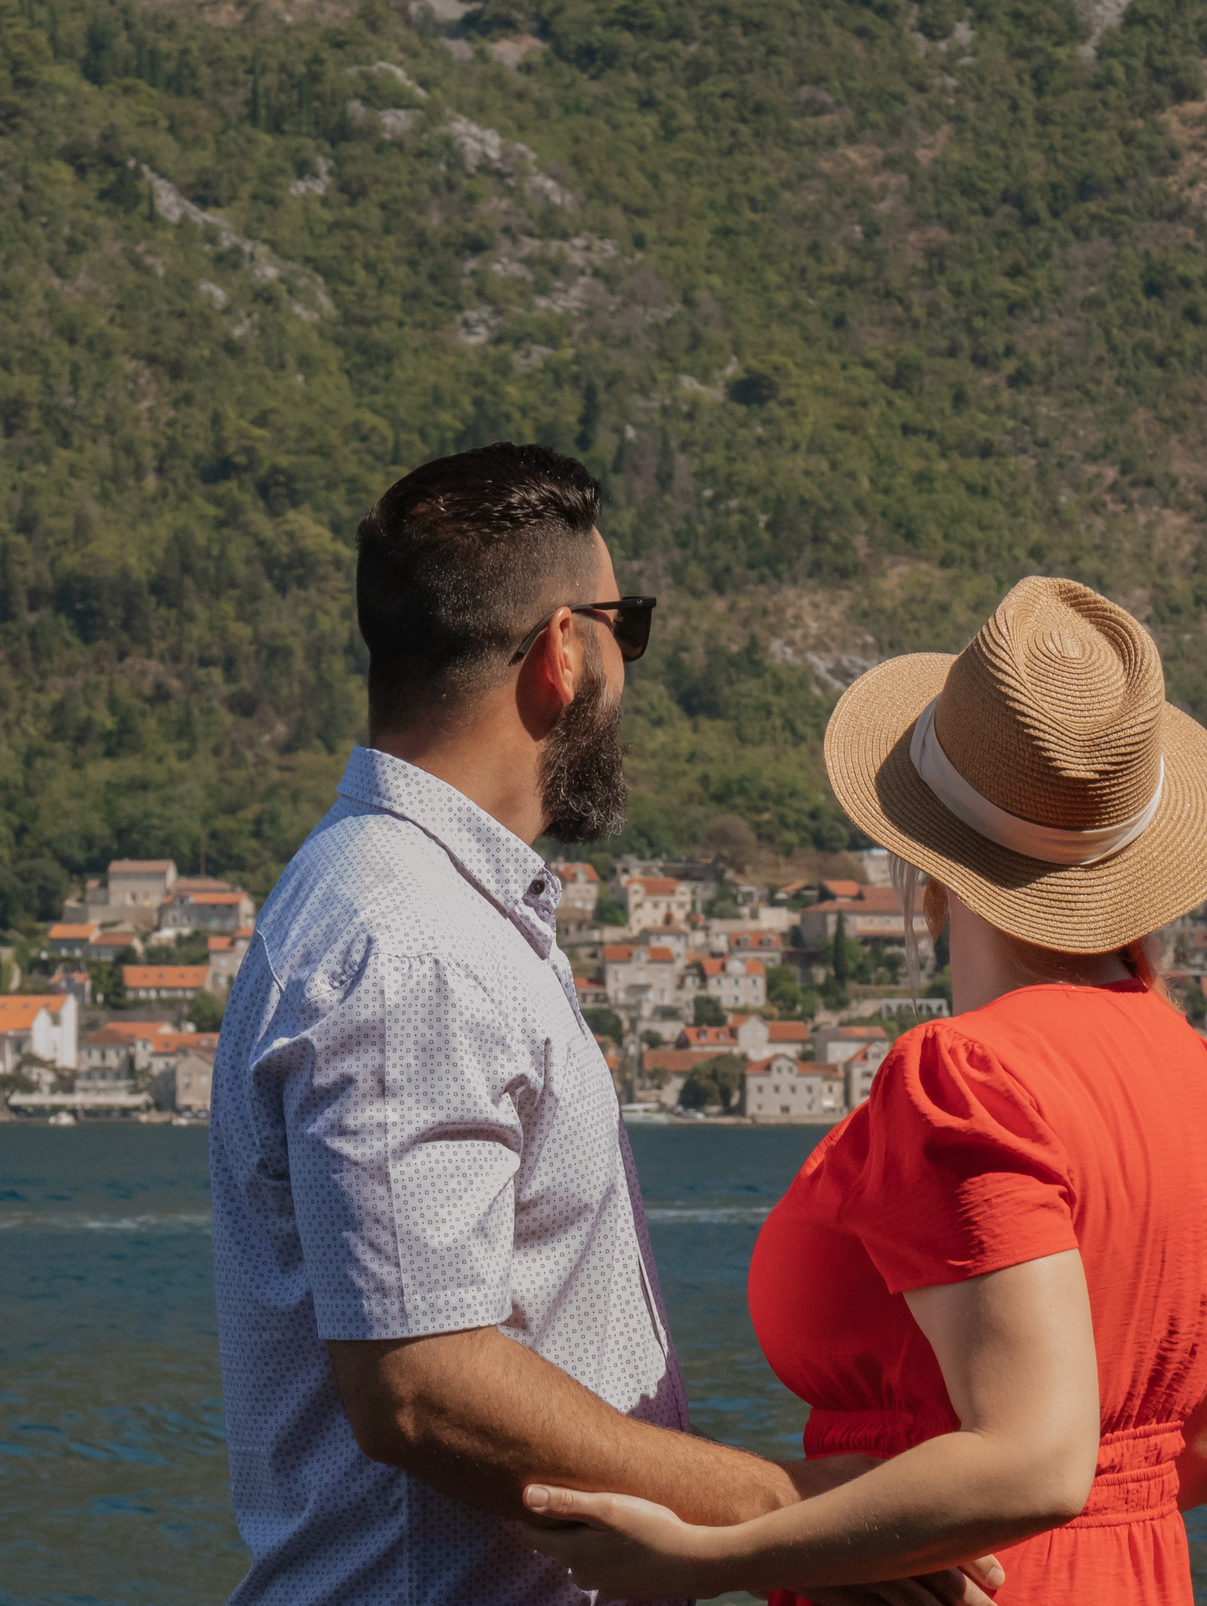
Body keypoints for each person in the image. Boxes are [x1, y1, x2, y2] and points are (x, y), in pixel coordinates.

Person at [208, 444, 990, 1606]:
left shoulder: (406, 904)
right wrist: (788, 1512)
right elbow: (422, 1378)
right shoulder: (416, 943)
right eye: (629, 627)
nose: (631, 668)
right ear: (565, 650)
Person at [521, 576, 1207, 1606]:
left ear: (924, 858)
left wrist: (708, 1557)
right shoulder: (1200, 1074)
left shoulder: (964, 1077)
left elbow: (1032, 1463)